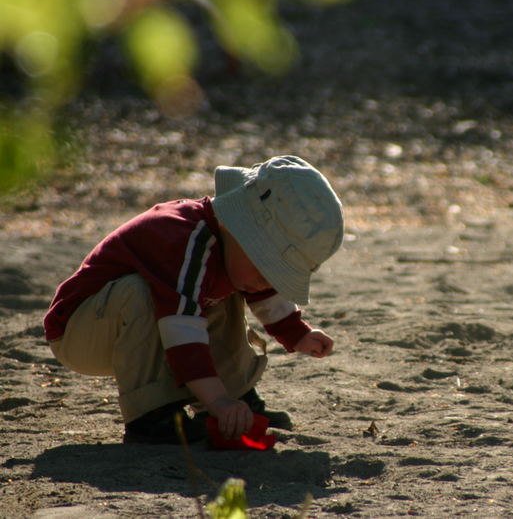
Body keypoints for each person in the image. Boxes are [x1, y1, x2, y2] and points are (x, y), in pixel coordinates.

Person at [43, 155, 344, 445]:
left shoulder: (229, 247)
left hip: (149, 331)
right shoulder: (183, 239)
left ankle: (236, 394)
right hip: (81, 333)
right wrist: (216, 401)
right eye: (265, 266)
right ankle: (150, 417)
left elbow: (260, 289)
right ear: (233, 225)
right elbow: (182, 333)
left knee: (227, 286)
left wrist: (298, 333)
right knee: (142, 291)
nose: (267, 279)